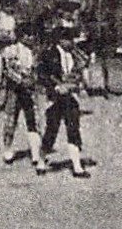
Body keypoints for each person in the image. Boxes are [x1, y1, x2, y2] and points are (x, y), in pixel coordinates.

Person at [38, 19, 90, 178]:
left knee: (73, 128)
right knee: (51, 130)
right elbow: (41, 75)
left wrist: (78, 84)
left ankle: (76, 165)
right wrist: (55, 87)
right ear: (60, 40)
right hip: (54, 98)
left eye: (72, 39)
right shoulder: (49, 54)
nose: (71, 42)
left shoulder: (75, 55)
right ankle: (41, 160)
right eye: (68, 39)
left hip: (70, 96)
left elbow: (80, 73)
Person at [0, 21, 47, 174]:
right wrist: (21, 80)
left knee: (33, 119)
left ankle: (35, 151)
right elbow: (8, 70)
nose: (31, 38)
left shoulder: (35, 52)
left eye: (33, 35)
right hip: (15, 89)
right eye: (27, 35)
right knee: (11, 118)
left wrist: (35, 80)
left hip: (31, 89)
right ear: (21, 36)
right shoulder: (11, 50)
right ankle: (8, 148)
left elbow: (39, 70)